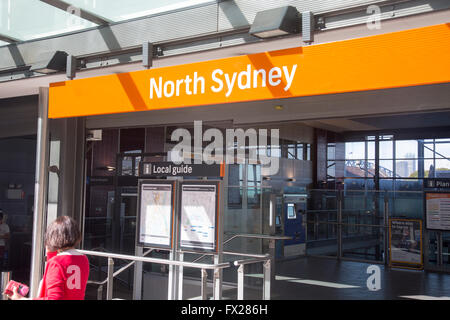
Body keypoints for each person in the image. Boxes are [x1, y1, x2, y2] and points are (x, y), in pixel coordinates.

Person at [8, 216, 90, 300]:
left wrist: (20, 298)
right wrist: (50, 253)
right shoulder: (84, 259)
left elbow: (54, 298)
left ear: (53, 236)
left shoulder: (56, 262)